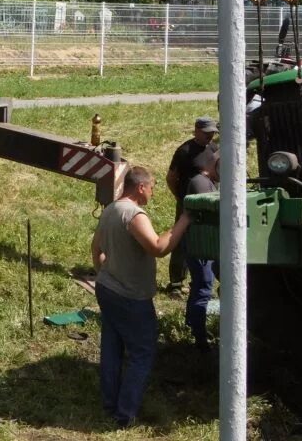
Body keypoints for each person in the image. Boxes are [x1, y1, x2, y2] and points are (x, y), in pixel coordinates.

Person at [92, 165, 191, 428]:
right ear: (141, 187)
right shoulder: (134, 214)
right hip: (131, 296)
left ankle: (109, 404)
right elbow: (158, 248)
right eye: (152, 188)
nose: (153, 193)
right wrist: (183, 220)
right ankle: (125, 415)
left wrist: (105, 273)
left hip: (107, 288)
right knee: (142, 353)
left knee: (112, 349)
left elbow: (96, 248)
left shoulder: (111, 209)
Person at [165, 116, 219, 290]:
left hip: (209, 202)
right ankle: (176, 281)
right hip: (188, 202)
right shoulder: (184, 151)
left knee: (207, 237)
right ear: (196, 130)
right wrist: (180, 197)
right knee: (181, 239)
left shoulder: (213, 149)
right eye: (206, 133)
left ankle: (203, 278)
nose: (209, 137)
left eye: (212, 133)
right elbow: (171, 178)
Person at [184, 151, 220, 351]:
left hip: (208, 243)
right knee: (204, 287)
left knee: (201, 285)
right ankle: (199, 338)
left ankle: (192, 323)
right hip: (199, 245)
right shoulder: (200, 183)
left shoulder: (211, 182)